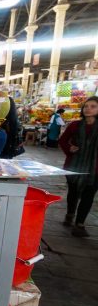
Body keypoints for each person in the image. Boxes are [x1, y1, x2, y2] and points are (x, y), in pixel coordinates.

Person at [59, 97, 98, 237]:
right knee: (73, 193)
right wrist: (70, 148)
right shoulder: (75, 125)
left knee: (88, 196)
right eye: (86, 106)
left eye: (93, 106)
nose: (88, 109)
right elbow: (63, 141)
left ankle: (80, 224)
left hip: (94, 169)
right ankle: (70, 214)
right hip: (74, 165)